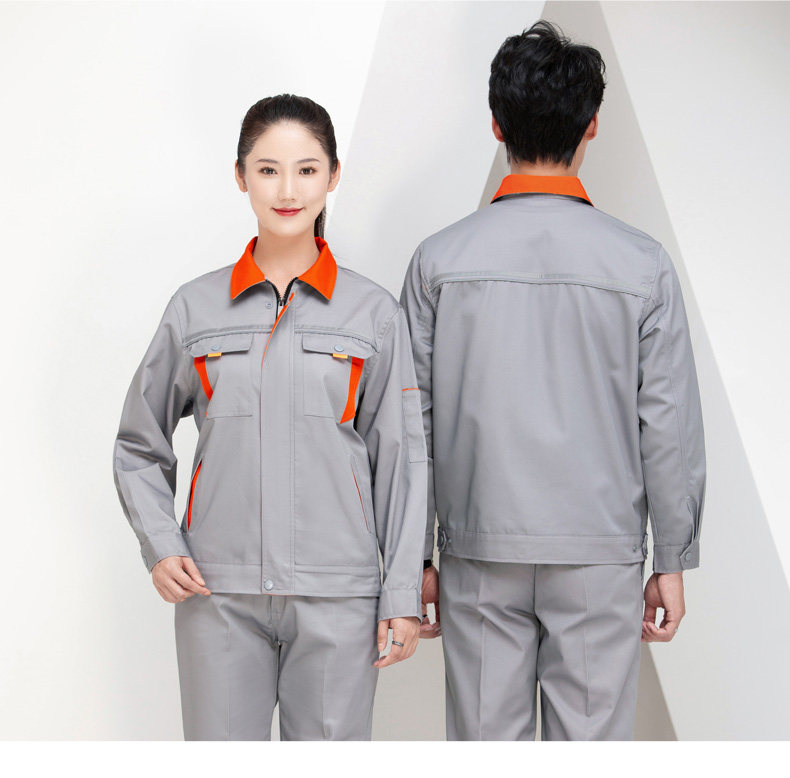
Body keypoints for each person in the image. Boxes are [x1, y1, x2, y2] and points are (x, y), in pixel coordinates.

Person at [401, 21, 706, 740]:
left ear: (496, 123)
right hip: (600, 553)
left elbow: (409, 423)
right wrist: (672, 556)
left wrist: (414, 555)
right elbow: (668, 423)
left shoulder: (438, 261)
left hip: (478, 548)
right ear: (592, 125)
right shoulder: (642, 265)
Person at [112, 94, 427, 740]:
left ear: (333, 176)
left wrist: (400, 593)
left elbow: (402, 462)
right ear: (240, 176)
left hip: (338, 597)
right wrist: (161, 544)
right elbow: (139, 444)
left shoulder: (372, 314)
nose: (288, 190)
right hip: (217, 594)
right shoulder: (195, 309)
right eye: (268, 170)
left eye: (307, 170)